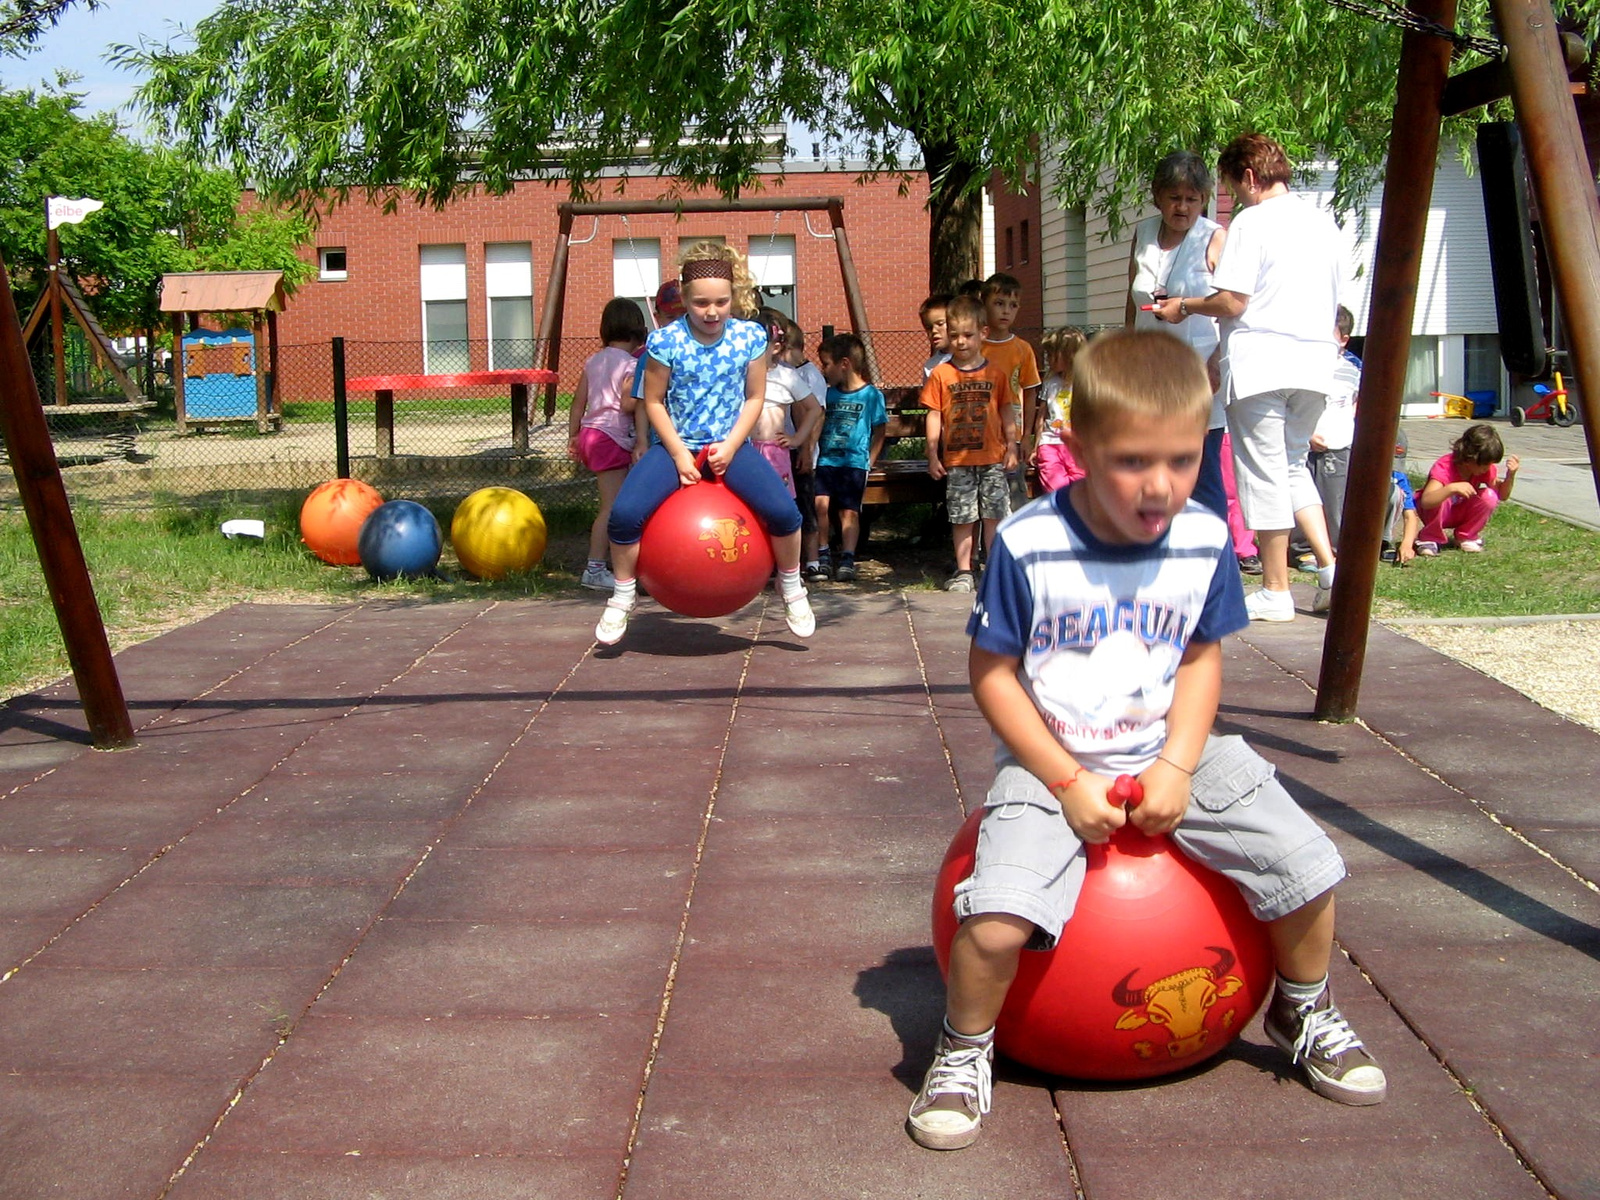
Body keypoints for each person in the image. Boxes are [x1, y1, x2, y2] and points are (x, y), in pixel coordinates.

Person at [905, 330, 1386, 1153]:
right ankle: (963, 1047)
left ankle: (1302, 1006)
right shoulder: (1029, 542)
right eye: (1132, 462)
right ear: (1079, 446)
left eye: (1181, 459)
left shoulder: (1202, 539)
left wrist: (1178, 764)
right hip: (1051, 760)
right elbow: (993, 676)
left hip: (1172, 747)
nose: (1159, 486)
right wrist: (1063, 782)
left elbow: (1201, 657)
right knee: (993, 919)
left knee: (1308, 869)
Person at [1152, 133, 1344, 621]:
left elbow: (1232, 301)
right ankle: (1329, 569)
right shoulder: (1323, 223)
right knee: (1293, 465)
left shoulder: (1251, 221)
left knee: (1262, 472)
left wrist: (1183, 307)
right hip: (1317, 362)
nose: (1235, 197)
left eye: (1234, 188)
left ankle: (1276, 590)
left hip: (1262, 362)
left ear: (1251, 177)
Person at [595, 241, 815, 645]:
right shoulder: (666, 342)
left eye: (721, 301)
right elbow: (655, 402)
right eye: (700, 303)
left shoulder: (750, 337)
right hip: (674, 447)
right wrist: (678, 453)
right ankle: (623, 595)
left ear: (734, 296)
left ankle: (792, 587)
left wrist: (731, 447)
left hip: (731, 446)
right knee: (624, 515)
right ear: (684, 297)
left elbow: (754, 398)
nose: (711, 312)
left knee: (786, 513)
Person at [1126, 150, 1237, 553]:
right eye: (1174, 197)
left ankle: (1214, 559)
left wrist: (1217, 358)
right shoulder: (1142, 233)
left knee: (1199, 469)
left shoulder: (1215, 236)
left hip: (1197, 371)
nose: (1183, 207)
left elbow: (1232, 304)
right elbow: (1131, 295)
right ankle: (1161, 548)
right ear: (1158, 197)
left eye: (1192, 198)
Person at [922, 295, 1020, 592]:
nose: (961, 342)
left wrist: (1013, 445)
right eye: (954, 336)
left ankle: (994, 568)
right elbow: (934, 414)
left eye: (967, 335)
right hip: (958, 461)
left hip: (992, 457)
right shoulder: (941, 374)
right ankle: (964, 570)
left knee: (994, 513)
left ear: (983, 334)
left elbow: (1006, 409)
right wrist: (932, 453)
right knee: (963, 517)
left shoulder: (995, 374)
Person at [568, 297, 648, 590]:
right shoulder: (629, 363)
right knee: (611, 507)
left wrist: (573, 435)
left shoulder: (593, 360)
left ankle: (616, 561)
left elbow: (578, 403)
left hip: (591, 433)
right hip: (611, 436)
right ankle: (595, 567)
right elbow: (628, 403)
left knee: (616, 502)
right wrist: (646, 390)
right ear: (637, 328)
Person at [814, 333, 888, 583]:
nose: (824, 370)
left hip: (853, 463)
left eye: (826, 364)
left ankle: (847, 557)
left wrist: (871, 459)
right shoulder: (829, 394)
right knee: (820, 505)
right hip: (826, 461)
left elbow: (880, 429)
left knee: (849, 511)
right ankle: (823, 553)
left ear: (844, 364)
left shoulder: (870, 395)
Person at [751, 307, 824, 501]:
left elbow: (814, 408)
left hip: (774, 450)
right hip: (746, 448)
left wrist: (797, 439)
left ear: (775, 347)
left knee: (778, 499)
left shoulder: (786, 375)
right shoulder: (744, 373)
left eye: (758, 347)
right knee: (751, 500)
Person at [981, 273, 1041, 504]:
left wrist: (1026, 436)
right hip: (981, 435)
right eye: (999, 304)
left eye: (1013, 305)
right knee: (986, 499)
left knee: (1014, 495)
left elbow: (1030, 392)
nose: (1006, 311)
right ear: (984, 305)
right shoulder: (975, 346)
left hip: (1012, 438)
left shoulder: (1022, 349)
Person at [1415, 423, 1518, 555]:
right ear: (1469, 458)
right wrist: (1451, 488)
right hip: (1434, 511)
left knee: (1489, 495)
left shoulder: (1485, 469)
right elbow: (1426, 501)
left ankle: (1466, 536)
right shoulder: (1445, 467)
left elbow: (1501, 495)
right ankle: (1429, 537)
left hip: (1459, 511)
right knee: (1443, 496)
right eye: (1485, 464)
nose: (1488, 468)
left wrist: (1510, 476)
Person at [1031, 327, 1086, 492]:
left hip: (1077, 445)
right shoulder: (1050, 382)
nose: (1047, 359)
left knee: (1081, 487)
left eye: (1052, 354)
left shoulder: (1085, 383)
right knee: (1056, 489)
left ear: (1069, 355)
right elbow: (1041, 415)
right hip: (1050, 443)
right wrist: (1036, 446)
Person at [1385, 430, 1421, 566]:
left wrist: (1406, 544)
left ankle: (1383, 540)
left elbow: (1410, 515)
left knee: (1396, 493)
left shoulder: (1397, 477)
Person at [921, 292, 953, 378]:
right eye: (929, 327)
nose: (934, 331)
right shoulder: (930, 366)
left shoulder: (972, 358)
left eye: (940, 324)